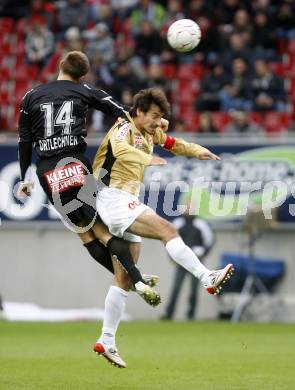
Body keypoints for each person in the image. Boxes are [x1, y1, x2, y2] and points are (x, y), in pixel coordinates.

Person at [92, 87, 234, 368]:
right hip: (111, 196)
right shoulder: (123, 127)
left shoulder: (150, 132)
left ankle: (106, 339)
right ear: (139, 111)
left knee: (124, 278)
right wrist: (147, 158)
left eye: (161, 117)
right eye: (154, 116)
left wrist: (198, 151)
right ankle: (206, 277)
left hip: (125, 199)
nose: (159, 122)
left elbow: (173, 143)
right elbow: (120, 149)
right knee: (168, 230)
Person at [17, 51, 161, 309]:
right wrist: (155, 123)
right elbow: (121, 111)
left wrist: (25, 178)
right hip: (76, 164)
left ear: (60, 65)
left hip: (48, 172)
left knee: (85, 233)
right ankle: (135, 278)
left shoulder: (31, 97)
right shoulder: (84, 90)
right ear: (83, 75)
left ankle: (134, 279)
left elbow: (25, 141)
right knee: (103, 231)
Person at [161, 211, 215, 320]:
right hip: (182, 262)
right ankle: (169, 314)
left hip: (197, 261)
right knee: (176, 287)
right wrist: (172, 257)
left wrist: (203, 252)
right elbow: (168, 239)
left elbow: (210, 240)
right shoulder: (178, 223)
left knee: (194, 289)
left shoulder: (201, 223)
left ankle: (191, 314)